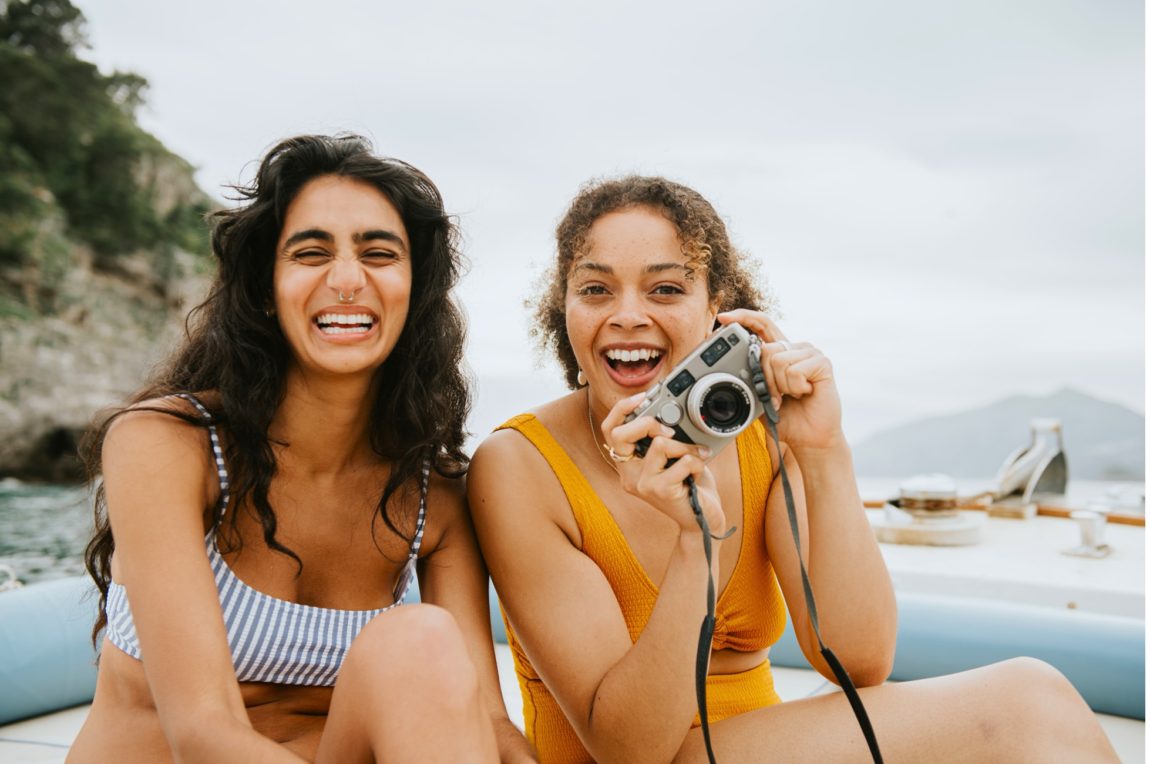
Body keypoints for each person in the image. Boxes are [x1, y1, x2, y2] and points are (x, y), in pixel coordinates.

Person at [467, 175, 1119, 763]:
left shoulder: (761, 438)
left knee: (1035, 708)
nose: (629, 314)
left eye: (666, 288)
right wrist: (696, 542)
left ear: (716, 307)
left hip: (758, 746)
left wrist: (824, 451)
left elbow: (859, 662)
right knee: (1030, 702)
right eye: (595, 289)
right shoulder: (521, 466)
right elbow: (629, 748)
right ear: (564, 307)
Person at [69, 134, 534, 763]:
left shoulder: (434, 494)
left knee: (420, 640)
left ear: (414, 289)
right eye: (311, 253)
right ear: (266, 288)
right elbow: (202, 731)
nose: (346, 280)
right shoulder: (169, 445)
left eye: (378, 254)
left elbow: (489, 723)